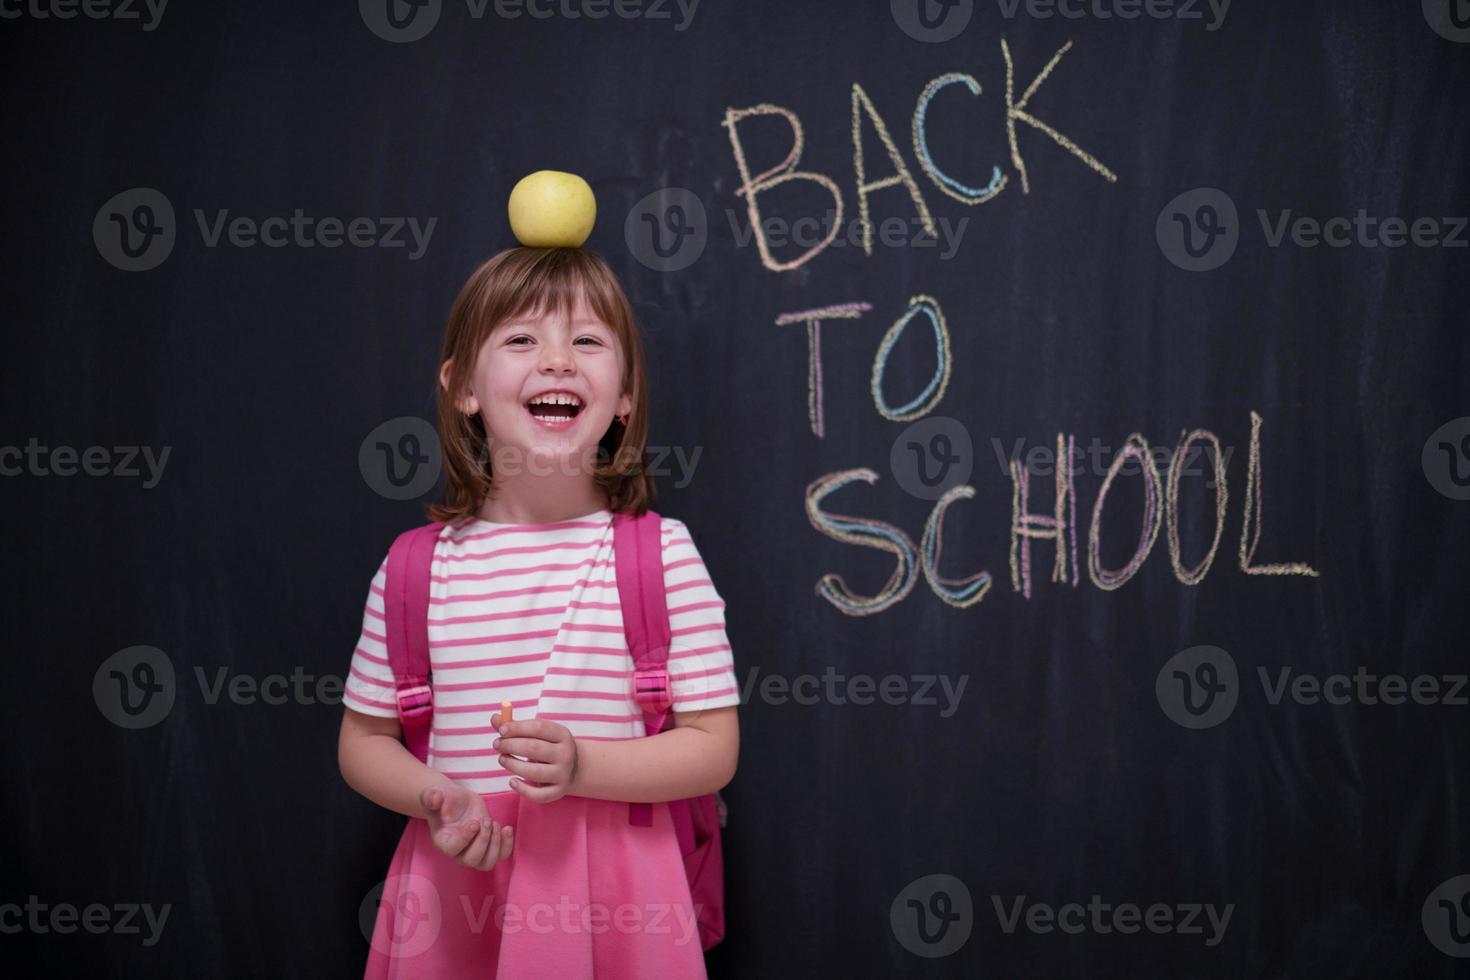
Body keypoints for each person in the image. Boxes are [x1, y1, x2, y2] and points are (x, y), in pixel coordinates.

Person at [337, 246, 741, 978]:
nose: (557, 360)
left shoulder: (662, 555)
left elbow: (713, 748)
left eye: (587, 341)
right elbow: (363, 742)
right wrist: (439, 798)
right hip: (456, 887)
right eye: (522, 339)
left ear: (623, 395)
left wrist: (584, 765)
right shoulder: (413, 571)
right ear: (462, 386)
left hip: (618, 896)